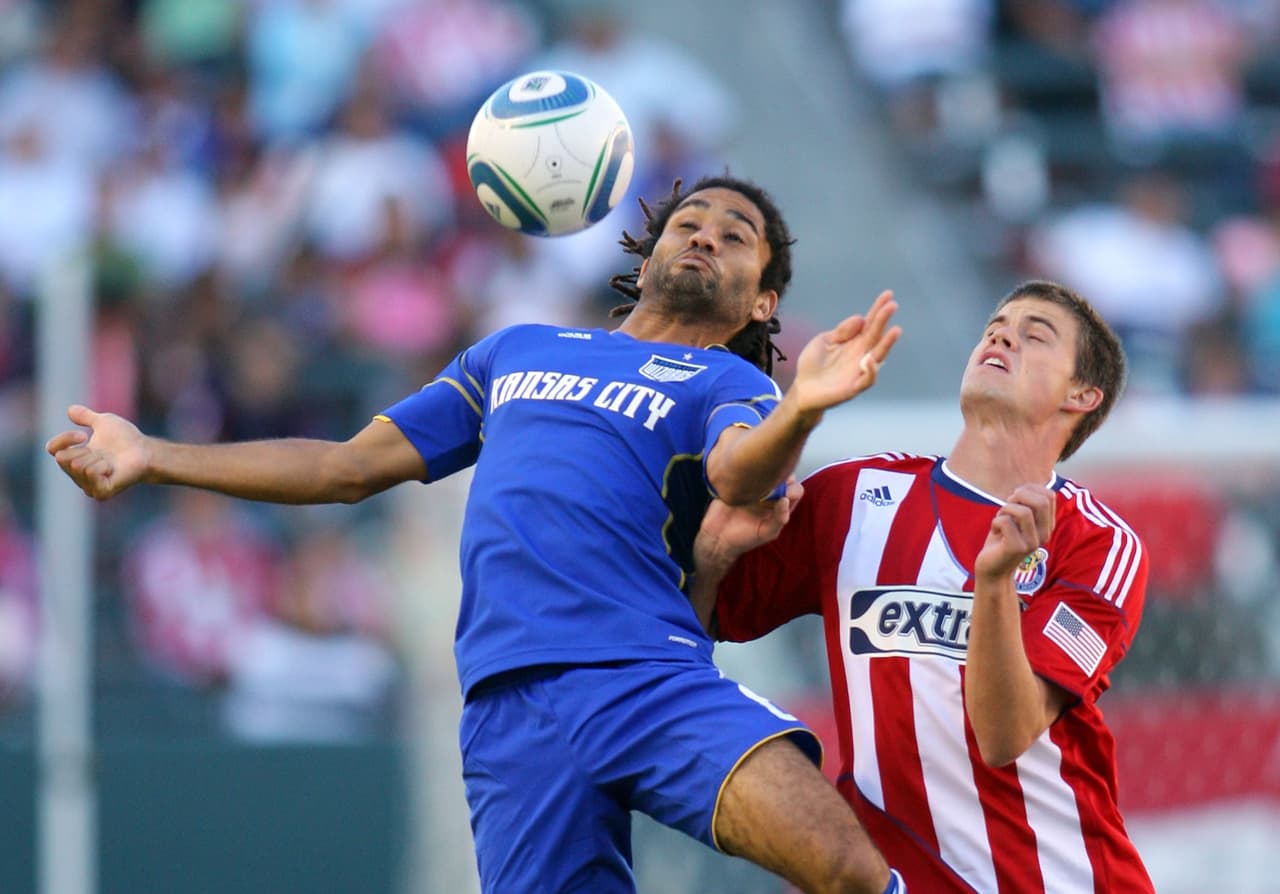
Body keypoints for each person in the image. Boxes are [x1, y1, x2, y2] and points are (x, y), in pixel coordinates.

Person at [48, 175, 907, 894]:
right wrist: (155, 455)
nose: (705, 237)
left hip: (641, 677)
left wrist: (798, 410)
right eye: (688, 223)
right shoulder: (516, 349)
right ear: (644, 260)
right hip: (508, 709)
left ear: (763, 300)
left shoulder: (723, 380)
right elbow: (346, 469)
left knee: (846, 868)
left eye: (736, 234)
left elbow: (737, 474)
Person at [693, 279, 1155, 893]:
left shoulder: (1097, 542)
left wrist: (993, 582)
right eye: (997, 323)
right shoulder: (853, 496)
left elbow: (1004, 734)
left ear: (1082, 394)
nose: (1002, 333)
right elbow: (703, 617)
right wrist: (714, 548)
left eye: (1034, 333)